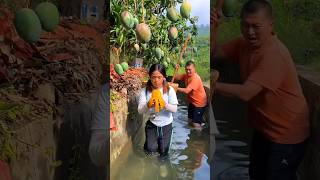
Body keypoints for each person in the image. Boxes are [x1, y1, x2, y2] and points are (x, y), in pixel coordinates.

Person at [211, 0, 309, 180]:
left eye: (256, 26)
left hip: (286, 135)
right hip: (264, 129)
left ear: (271, 25)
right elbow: (214, 54)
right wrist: (214, 27)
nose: (250, 32)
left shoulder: (274, 54)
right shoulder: (243, 44)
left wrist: (212, 86)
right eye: (245, 25)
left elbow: (246, 93)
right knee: (256, 174)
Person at [137, 63, 178, 161]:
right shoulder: (145, 91)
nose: (156, 80)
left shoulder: (169, 90)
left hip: (166, 125)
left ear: (164, 77)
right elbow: (140, 110)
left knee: (163, 151)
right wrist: (148, 104)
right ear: (150, 77)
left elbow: (175, 109)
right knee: (150, 150)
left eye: (159, 77)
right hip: (152, 124)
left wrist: (165, 105)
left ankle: (162, 166)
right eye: (153, 77)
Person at [173, 61, 208, 129]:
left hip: (199, 104)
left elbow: (187, 91)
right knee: (189, 120)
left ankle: (199, 137)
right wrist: (176, 70)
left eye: (190, 69)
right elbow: (176, 77)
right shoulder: (186, 75)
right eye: (186, 69)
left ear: (194, 69)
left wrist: (175, 88)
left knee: (195, 123)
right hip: (192, 102)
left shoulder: (195, 78)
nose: (188, 71)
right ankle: (192, 136)